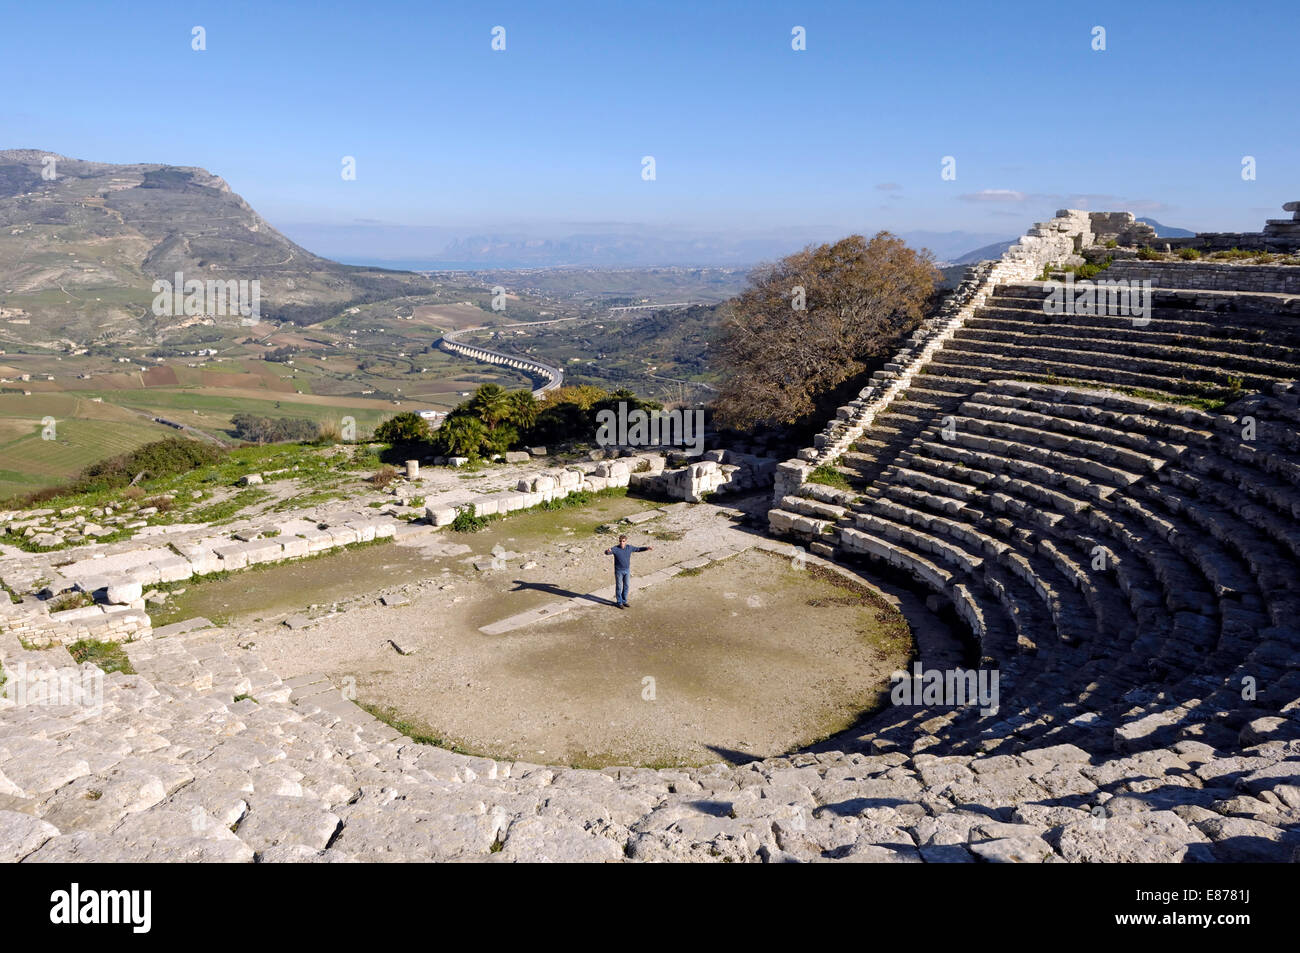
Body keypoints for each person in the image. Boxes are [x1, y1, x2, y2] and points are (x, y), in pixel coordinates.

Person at [603, 534, 652, 609]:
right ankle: (619, 602)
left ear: (626, 541)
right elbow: (607, 553)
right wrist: (607, 551)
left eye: (623, 541)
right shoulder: (615, 548)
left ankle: (624, 601)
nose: (621, 543)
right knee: (619, 587)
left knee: (626, 586)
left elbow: (638, 549)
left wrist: (647, 548)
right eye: (620, 541)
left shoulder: (629, 547)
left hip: (627, 570)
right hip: (618, 571)